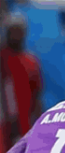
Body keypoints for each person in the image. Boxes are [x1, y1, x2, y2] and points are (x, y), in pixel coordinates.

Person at [0, 14, 43, 146]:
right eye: (12, 31)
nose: (16, 35)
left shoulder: (31, 61)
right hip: (4, 123)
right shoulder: (2, 58)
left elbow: (37, 94)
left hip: (24, 123)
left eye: (19, 31)